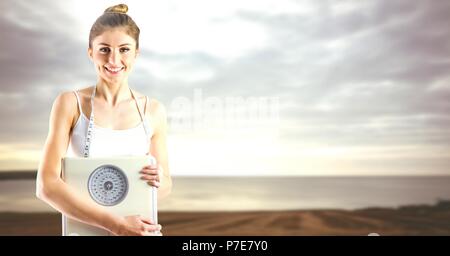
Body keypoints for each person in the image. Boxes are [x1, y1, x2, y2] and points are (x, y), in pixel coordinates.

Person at [36, 4, 172, 236]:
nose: (114, 60)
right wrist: (116, 225)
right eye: (104, 49)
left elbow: (166, 186)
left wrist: (158, 179)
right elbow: (46, 186)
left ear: (136, 53)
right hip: (85, 230)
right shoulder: (71, 104)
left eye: (124, 49)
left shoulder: (153, 110)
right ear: (91, 52)